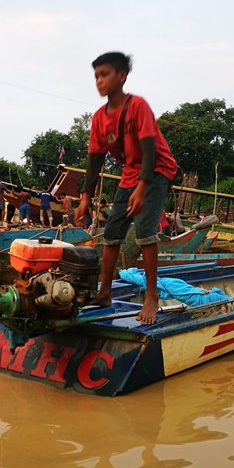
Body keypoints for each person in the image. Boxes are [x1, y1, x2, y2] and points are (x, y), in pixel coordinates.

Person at [74, 51, 177, 325]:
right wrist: (85, 197)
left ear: (121, 76)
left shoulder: (137, 106)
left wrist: (142, 188)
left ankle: (151, 296)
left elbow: (150, 151)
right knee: (111, 232)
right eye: (96, 76)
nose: (99, 81)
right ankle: (104, 292)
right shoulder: (99, 118)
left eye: (104, 74)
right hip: (130, 173)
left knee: (144, 231)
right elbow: (94, 160)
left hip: (156, 169)